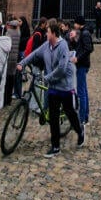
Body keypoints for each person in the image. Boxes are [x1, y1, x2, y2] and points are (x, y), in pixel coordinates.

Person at [18, 20, 84, 158]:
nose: (45, 34)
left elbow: (62, 68)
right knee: (53, 117)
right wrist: (22, 63)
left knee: (70, 112)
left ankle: (79, 130)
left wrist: (47, 78)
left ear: (53, 33)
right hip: (53, 87)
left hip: (64, 86)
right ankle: (55, 146)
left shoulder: (63, 46)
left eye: (47, 32)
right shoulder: (47, 46)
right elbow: (35, 54)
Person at [73, 15, 93, 127]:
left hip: (82, 65)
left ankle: (82, 119)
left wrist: (78, 58)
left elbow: (89, 48)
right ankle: (85, 116)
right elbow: (84, 47)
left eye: (75, 23)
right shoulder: (83, 32)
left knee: (81, 92)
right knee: (83, 91)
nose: (74, 25)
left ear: (79, 23)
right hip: (82, 64)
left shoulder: (85, 33)